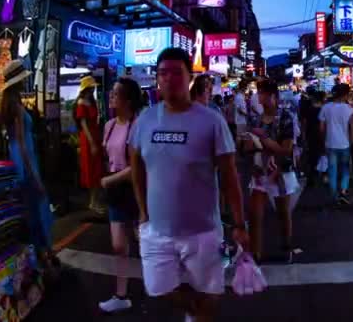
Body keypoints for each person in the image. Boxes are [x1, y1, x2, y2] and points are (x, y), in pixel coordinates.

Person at [129, 48, 248, 322]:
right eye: (162, 73)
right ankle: (194, 311)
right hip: (157, 230)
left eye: (176, 72)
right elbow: (135, 163)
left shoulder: (210, 120)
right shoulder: (145, 120)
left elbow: (230, 176)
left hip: (203, 231)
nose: (169, 79)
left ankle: (199, 314)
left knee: (211, 292)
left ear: (189, 77)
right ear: (157, 79)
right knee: (158, 288)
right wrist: (142, 210)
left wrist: (240, 224)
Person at [0, 59, 56, 270]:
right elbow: (22, 143)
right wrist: (33, 174)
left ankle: (42, 255)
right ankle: (45, 254)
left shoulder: (10, 104)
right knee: (38, 208)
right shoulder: (15, 105)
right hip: (26, 160)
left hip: (20, 159)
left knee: (30, 210)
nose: (25, 82)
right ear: (17, 82)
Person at [98, 78, 143, 313]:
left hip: (135, 189)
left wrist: (110, 179)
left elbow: (137, 167)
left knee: (144, 241)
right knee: (118, 245)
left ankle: (164, 284)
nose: (111, 97)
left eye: (116, 94)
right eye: (112, 93)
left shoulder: (137, 126)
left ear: (127, 100)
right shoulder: (109, 125)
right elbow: (109, 158)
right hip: (115, 190)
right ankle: (121, 294)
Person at [246, 79, 299, 263]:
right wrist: (248, 144)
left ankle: (286, 247)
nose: (260, 98)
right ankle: (255, 252)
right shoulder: (256, 118)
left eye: (263, 94)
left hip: (280, 172)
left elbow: (286, 148)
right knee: (255, 213)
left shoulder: (285, 117)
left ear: (273, 96)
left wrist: (265, 139)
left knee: (283, 213)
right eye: (259, 93)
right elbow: (250, 146)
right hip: (260, 171)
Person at [319, 83, 353, 204]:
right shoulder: (350, 109)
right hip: (345, 144)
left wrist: (324, 140)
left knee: (332, 170)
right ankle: (343, 191)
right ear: (345, 94)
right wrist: (351, 141)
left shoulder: (326, 107)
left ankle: (334, 195)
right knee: (345, 169)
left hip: (330, 144)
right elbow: (352, 128)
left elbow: (321, 128)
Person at [73, 75, 103, 213]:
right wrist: (92, 143)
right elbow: (83, 124)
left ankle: (95, 200)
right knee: (91, 170)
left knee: (97, 169)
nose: (93, 89)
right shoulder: (81, 103)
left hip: (95, 136)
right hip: (88, 138)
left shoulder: (92, 101)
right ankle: (93, 202)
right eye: (91, 87)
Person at [304, 90, 326, 187]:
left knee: (312, 157)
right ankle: (324, 176)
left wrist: (304, 135)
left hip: (311, 135)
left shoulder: (309, 109)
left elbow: (304, 123)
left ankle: (311, 177)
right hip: (321, 135)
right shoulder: (324, 110)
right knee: (323, 154)